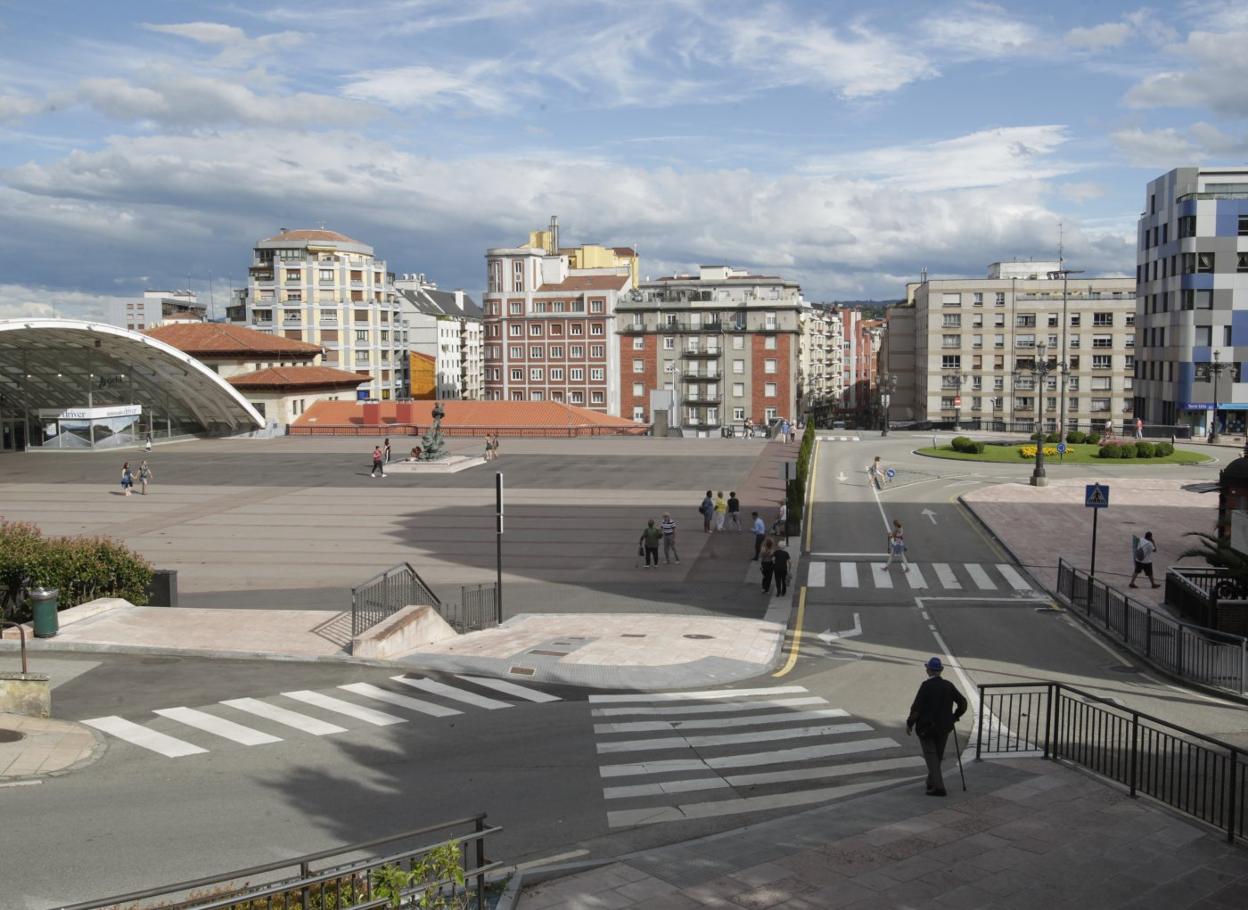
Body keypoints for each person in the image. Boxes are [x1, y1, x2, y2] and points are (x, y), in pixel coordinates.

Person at [906, 657, 968, 797]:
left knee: (931, 756)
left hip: (927, 728)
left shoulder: (926, 686)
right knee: (937, 756)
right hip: (944, 727)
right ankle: (931, 781)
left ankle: (939, 787)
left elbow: (917, 709)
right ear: (940, 670)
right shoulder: (948, 685)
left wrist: (910, 723)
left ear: (928, 670)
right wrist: (954, 717)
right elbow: (963, 704)